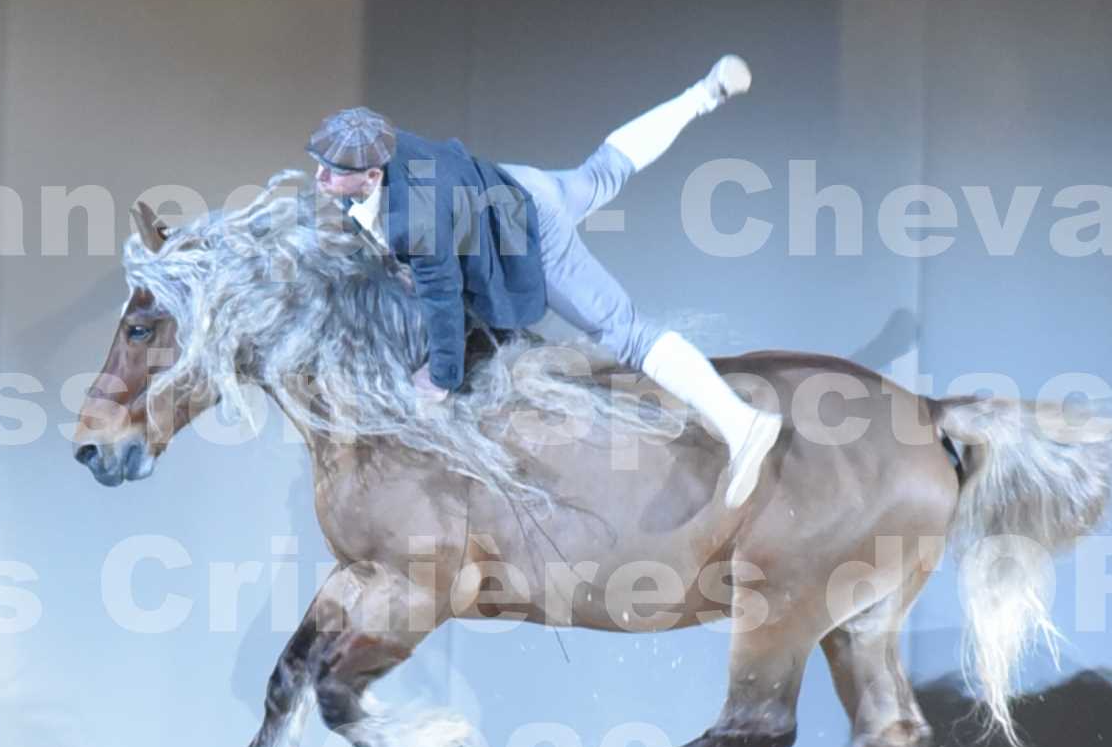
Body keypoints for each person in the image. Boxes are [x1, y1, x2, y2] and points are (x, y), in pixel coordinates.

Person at [306, 54, 781, 509]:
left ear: (371, 175)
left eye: (334, 171)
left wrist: (440, 378)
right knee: (601, 172)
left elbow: (443, 301)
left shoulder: (414, 221)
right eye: (320, 162)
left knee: (626, 332)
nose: (320, 176)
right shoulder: (384, 144)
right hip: (520, 185)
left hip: (530, 232)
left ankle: (743, 423)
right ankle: (705, 92)